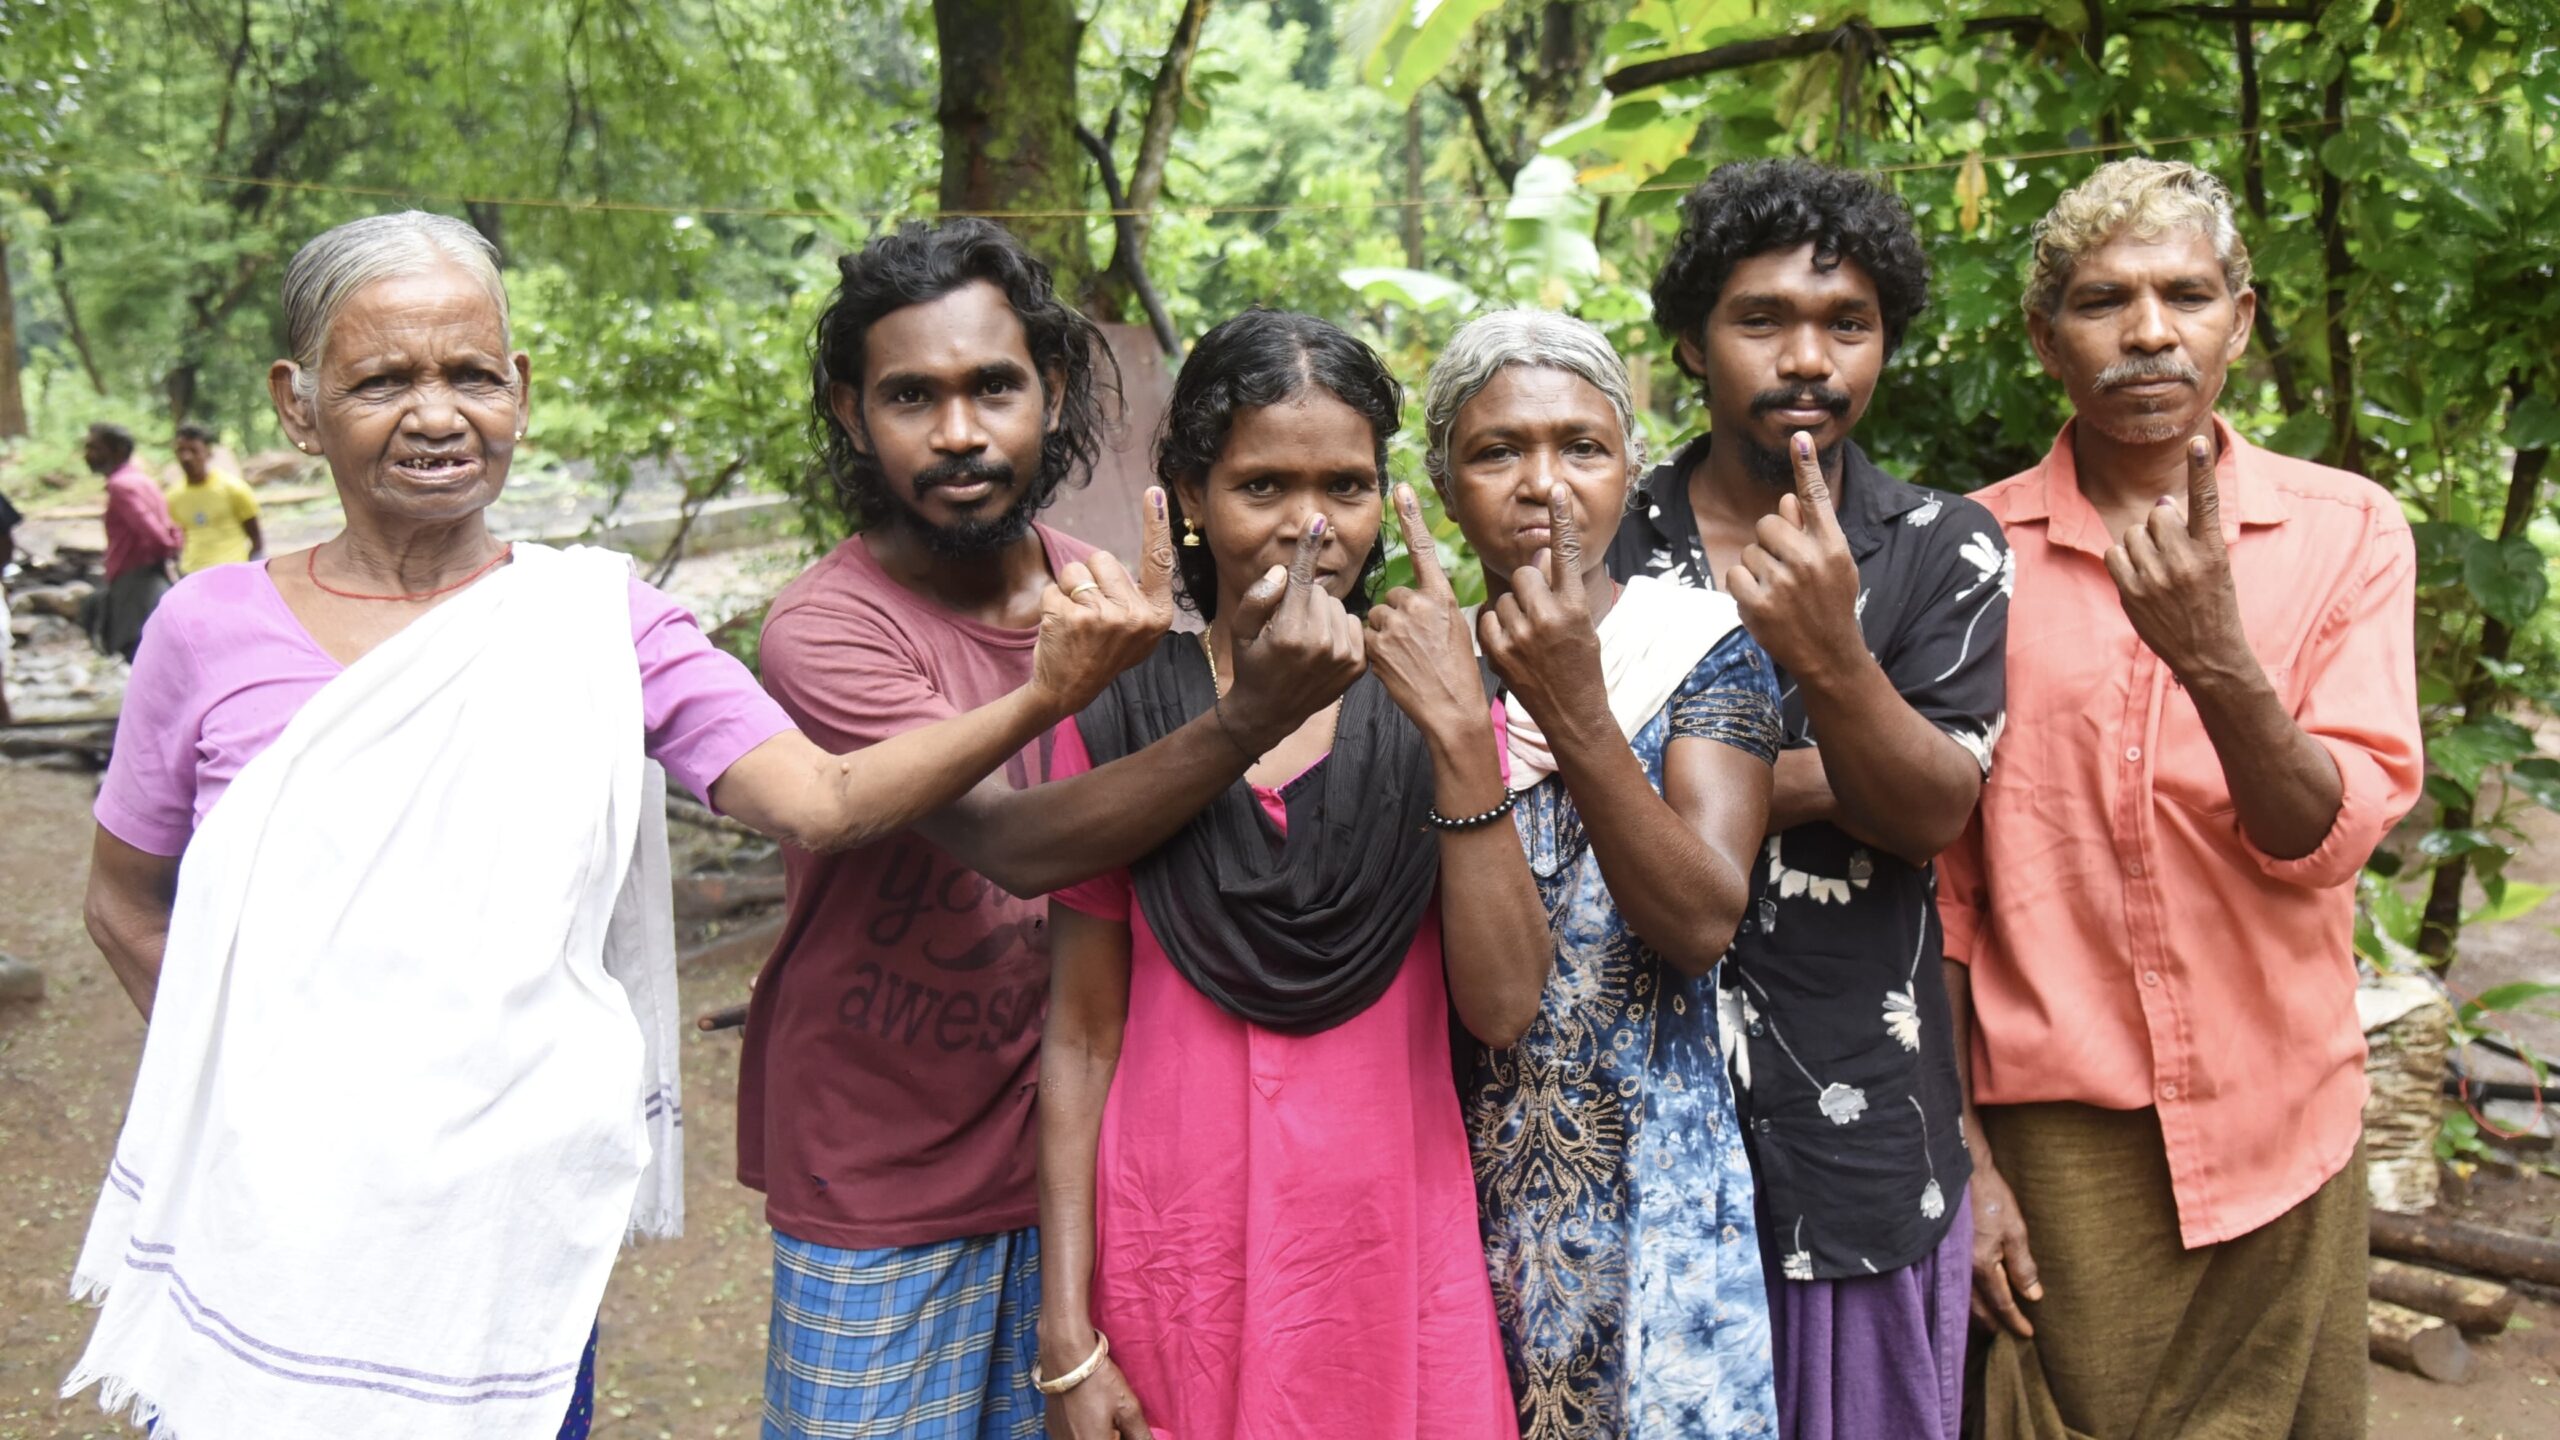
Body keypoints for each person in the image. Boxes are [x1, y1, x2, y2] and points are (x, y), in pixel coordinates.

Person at [64, 210, 1164, 1440]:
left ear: (519, 392)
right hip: (265, 1215)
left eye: (471, 374)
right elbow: (122, 903)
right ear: (297, 402)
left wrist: (1043, 696)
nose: (437, 414)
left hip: (504, 1235)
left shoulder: (601, 621)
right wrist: (271, 1099)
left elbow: (824, 800)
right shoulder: (207, 629)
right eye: (383, 380)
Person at [744, 223, 1355, 1440]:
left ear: (1053, 393)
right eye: (912, 395)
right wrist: (1225, 718)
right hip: (884, 1179)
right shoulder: (826, 629)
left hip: (1099, 1176)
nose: (961, 433)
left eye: (995, 388)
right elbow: (1016, 845)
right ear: (852, 413)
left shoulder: (1113, 593)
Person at [1941, 159, 2422, 1439]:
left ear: (2240, 321)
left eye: (2185, 295)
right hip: (2061, 1136)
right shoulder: (1966, 558)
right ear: (2047, 339)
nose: (2149, 331)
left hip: (2284, 1106)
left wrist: (2212, 656)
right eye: (2104, 300)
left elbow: (2323, 841)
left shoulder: (2348, 532)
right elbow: (1939, 898)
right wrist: (1965, 1159)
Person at [1035, 310, 1547, 1440]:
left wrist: (1461, 730)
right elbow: (1078, 1035)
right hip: (1178, 1245)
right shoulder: (1122, 708)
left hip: (1382, 1242)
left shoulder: (1436, 701)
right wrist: (1064, 1326)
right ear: (1187, 494)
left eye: (1347, 486)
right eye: (1262, 486)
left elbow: (1503, 1007)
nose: (1309, 527)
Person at [1608, 159, 2006, 1440]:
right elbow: (1541, 796)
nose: (1807, 359)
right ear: (1689, 339)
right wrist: (1833, 770)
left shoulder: (1943, 548)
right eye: (1760, 318)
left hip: (1859, 1128)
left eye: (1847, 324)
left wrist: (1829, 656)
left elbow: (1931, 810)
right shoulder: (1608, 545)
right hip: (1634, 1122)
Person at [1433, 310, 1784, 1439]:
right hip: (1446, 1174)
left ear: (1632, 472)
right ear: (1444, 483)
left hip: (1656, 1176)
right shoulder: (1415, 669)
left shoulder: (1702, 646)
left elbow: (1698, 921)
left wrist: (1574, 707)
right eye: (1497, 452)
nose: (1543, 485)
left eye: (1581, 448)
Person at [84, 422, 183, 660]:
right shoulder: (141, 480)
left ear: (118, 450)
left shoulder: (122, 487)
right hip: (150, 574)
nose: (87, 455)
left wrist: (165, 549)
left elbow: (153, 532)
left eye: (94, 448)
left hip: (136, 582)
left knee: (140, 653)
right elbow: (171, 528)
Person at [164, 422, 265, 573]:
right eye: (181, 450)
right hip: (191, 575)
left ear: (208, 453)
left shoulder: (234, 488)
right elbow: (179, 537)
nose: (186, 457)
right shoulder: (172, 496)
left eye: (193, 450)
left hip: (231, 571)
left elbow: (256, 538)